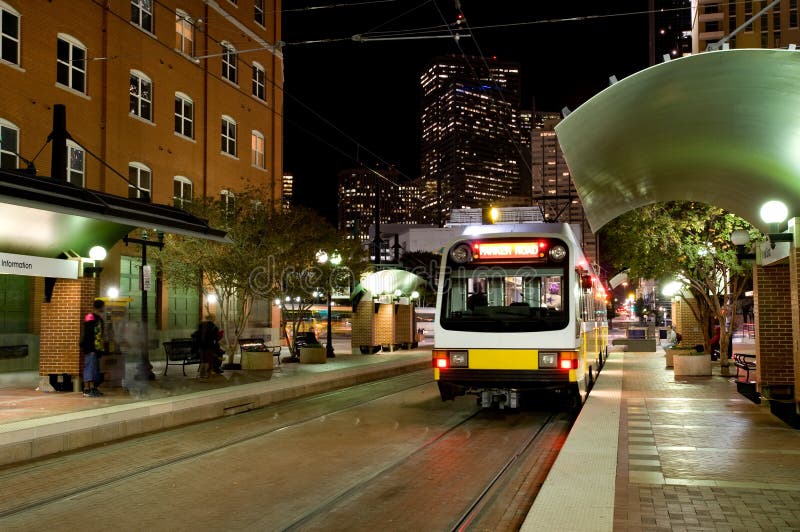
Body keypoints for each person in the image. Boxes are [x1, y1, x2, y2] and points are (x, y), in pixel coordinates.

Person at [80, 299, 107, 397]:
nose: (104, 308)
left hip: (96, 348)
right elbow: (88, 333)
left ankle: (92, 387)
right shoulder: (90, 317)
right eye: (103, 306)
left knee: (94, 369)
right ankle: (87, 389)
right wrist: (90, 347)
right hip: (91, 347)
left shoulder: (98, 318)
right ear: (100, 307)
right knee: (89, 368)